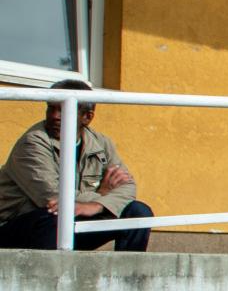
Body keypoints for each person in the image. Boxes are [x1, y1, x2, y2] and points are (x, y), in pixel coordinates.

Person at [0, 79, 152, 251]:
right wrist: (100, 195)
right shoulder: (32, 143)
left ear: (87, 117)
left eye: (62, 110)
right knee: (56, 217)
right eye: (51, 108)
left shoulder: (100, 143)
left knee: (139, 212)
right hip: (16, 227)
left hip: (71, 220)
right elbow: (52, 197)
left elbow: (127, 186)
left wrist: (96, 206)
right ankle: (52, 277)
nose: (54, 116)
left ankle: (127, 276)